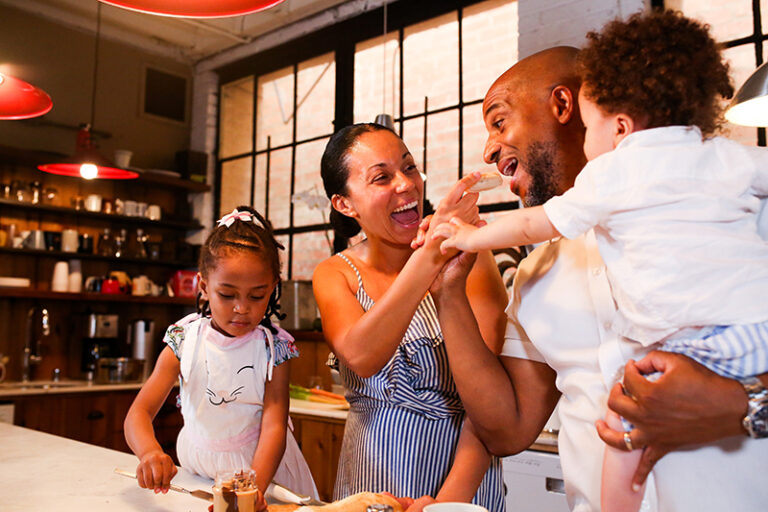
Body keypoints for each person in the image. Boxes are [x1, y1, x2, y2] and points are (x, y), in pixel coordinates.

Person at [434, 11, 768, 512]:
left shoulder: (738, 209)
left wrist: (744, 408)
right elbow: (509, 429)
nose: (488, 150)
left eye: (499, 120)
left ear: (567, 105)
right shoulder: (534, 273)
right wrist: (447, 293)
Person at [312, 123, 509, 512]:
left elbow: (489, 402)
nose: (406, 184)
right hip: (374, 481)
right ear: (344, 204)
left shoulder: (472, 255)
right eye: (382, 177)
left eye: (409, 168)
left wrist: (446, 503)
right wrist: (431, 255)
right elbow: (363, 356)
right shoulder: (336, 274)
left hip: (465, 481)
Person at [124, 206, 317, 508]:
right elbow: (138, 413)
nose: (242, 308)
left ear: (273, 289)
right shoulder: (184, 339)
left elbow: (274, 427)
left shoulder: (273, 348)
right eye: (227, 295)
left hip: (262, 476)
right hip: (196, 472)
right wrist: (149, 452)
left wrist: (253, 489)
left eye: (257, 296)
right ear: (203, 286)